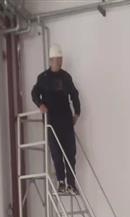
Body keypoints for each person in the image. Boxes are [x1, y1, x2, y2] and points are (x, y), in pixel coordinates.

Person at [31, 44, 81, 194]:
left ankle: (71, 183)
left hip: (66, 120)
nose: (59, 62)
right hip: (52, 121)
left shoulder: (66, 77)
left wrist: (77, 113)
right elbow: (34, 93)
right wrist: (40, 105)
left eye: (60, 59)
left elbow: (74, 94)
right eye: (56, 59)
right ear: (50, 60)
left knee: (70, 152)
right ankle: (61, 182)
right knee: (56, 152)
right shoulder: (43, 78)